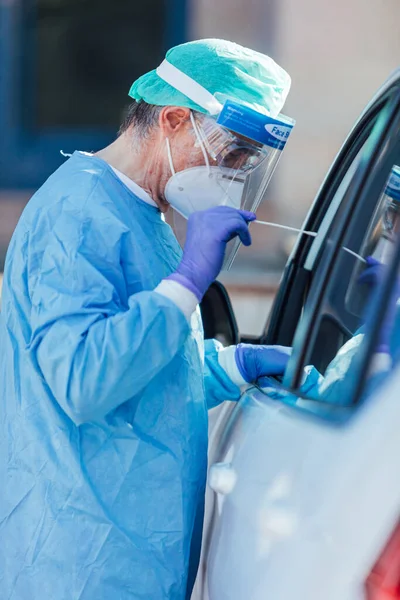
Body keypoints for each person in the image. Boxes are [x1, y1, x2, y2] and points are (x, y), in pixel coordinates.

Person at [0, 39, 292, 599]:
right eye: (230, 155)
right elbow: (84, 381)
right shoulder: (77, 212)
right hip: (81, 561)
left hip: (129, 558)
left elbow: (145, 377)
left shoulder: (141, 213)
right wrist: (185, 283)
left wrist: (232, 366)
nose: (232, 175)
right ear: (175, 119)